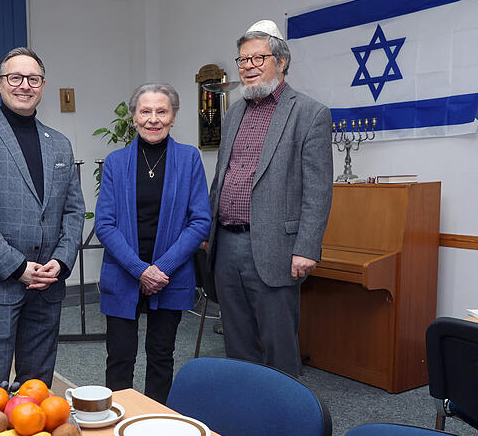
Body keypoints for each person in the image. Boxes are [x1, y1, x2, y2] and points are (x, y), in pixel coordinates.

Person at [0, 47, 85, 398]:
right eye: (15, 77)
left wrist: (62, 261)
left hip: (47, 283)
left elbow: (73, 211)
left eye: (33, 78)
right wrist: (17, 266)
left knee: (37, 386)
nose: (24, 85)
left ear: (42, 85)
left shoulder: (60, 144)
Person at [207, 20, 333, 377]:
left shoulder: (309, 113)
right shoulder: (233, 114)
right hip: (226, 245)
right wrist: (207, 230)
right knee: (237, 342)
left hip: (276, 247)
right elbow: (222, 177)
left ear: (281, 61)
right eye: (242, 60)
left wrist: (307, 247)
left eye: (257, 58)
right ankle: (246, 417)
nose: (247, 67)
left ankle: (286, 423)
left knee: (279, 346)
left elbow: (318, 188)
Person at [95, 83, 211, 403]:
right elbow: (104, 224)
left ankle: (156, 426)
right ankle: (116, 426)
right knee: (119, 358)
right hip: (123, 274)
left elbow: (200, 220)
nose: (153, 119)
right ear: (133, 117)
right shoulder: (116, 162)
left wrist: (160, 268)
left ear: (173, 117)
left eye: (162, 111)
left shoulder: (189, 159)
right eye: (145, 111)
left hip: (169, 277)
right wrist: (139, 270)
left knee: (161, 357)